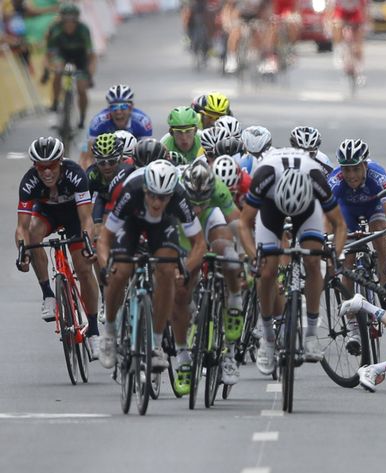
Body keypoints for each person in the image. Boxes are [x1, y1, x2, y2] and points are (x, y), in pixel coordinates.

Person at [237, 147, 347, 374]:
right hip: (271, 206)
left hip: (307, 208)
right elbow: (244, 223)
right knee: (266, 272)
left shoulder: (315, 178)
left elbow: (340, 225)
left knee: (314, 261)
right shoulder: (264, 176)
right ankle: (267, 338)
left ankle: (311, 336)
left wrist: (335, 255)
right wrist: (253, 257)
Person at [96, 160, 207, 371]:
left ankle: (156, 344)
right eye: (152, 196)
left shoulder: (179, 198)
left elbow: (199, 245)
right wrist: (104, 267)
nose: (157, 203)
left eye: (163, 198)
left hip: (164, 226)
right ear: (145, 190)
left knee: (167, 271)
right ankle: (109, 332)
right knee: (120, 271)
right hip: (131, 223)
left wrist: (185, 268)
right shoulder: (130, 192)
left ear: (171, 196)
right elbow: (105, 238)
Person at [16, 137, 101, 355]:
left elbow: (86, 220)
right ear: (35, 166)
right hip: (47, 215)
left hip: (74, 215)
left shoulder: (76, 175)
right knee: (33, 234)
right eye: (41, 167)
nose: (46, 172)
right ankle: (48, 294)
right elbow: (22, 228)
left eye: (52, 165)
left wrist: (88, 243)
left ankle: (93, 330)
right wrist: (22, 251)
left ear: (60, 162)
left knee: (83, 268)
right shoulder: (28, 182)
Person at [169, 159, 243, 393]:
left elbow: (238, 224)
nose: (198, 206)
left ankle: (233, 303)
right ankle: (182, 357)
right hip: (182, 226)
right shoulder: (174, 190)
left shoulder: (218, 189)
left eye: (203, 200)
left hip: (213, 221)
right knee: (180, 294)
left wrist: (246, 257)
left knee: (228, 254)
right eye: (194, 202)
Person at [327, 139, 386, 286]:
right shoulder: (334, 181)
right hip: (347, 211)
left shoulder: (378, 176)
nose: (351, 175)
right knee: (348, 261)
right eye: (346, 169)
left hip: (373, 207)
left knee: (381, 242)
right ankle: (348, 305)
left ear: (365, 165)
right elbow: (325, 215)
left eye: (356, 169)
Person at [42, 3, 95, 129]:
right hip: (62, 55)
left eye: (73, 21)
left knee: (82, 88)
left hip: (80, 57)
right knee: (58, 72)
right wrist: (46, 69)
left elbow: (92, 56)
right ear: (61, 20)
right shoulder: (54, 29)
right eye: (66, 21)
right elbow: (48, 54)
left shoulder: (83, 29)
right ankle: (55, 105)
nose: (69, 24)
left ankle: (82, 117)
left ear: (77, 20)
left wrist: (90, 75)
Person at [81, 84, 153, 168]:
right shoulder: (98, 122)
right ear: (109, 108)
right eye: (114, 107)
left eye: (123, 106)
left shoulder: (143, 122)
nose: (118, 111)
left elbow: (147, 154)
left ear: (131, 108)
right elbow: (86, 155)